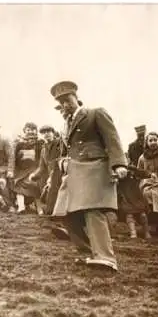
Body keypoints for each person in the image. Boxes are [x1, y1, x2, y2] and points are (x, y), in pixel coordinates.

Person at [49, 80, 128, 274]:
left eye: (68, 100)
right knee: (65, 214)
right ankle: (89, 253)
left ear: (77, 98)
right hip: (74, 171)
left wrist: (119, 164)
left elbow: (112, 138)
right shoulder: (64, 125)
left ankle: (106, 258)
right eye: (62, 103)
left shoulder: (95, 113)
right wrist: (62, 162)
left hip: (95, 167)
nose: (65, 105)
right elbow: (67, 148)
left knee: (93, 212)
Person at [10, 122, 45, 214]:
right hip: (21, 170)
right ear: (24, 131)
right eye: (28, 130)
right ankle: (21, 207)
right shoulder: (18, 144)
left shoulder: (40, 144)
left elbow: (42, 158)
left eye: (33, 130)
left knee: (35, 186)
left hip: (34, 169)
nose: (31, 133)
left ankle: (39, 208)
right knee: (18, 185)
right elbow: (13, 157)